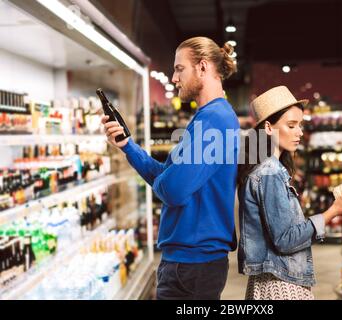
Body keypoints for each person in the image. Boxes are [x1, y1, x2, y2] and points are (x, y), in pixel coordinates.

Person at [101, 37, 239, 300]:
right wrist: (128, 146)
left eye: (179, 69)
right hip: (189, 264)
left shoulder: (216, 119)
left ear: (202, 67)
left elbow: (172, 189)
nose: (174, 78)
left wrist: (166, 178)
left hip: (192, 267)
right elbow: (167, 176)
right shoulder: (205, 118)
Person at [237, 86, 342, 300]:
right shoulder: (270, 173)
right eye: (291, 125)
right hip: (282, 285)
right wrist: (333, 211)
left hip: (272, 279)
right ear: (268, 128)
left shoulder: (265, 168)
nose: (300, 132)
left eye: (300, 125)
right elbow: (285, 240)